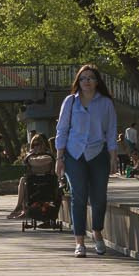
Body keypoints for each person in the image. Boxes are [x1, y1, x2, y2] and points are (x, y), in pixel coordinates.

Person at [54, 63, 119, 256]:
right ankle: (79, 241)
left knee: (99, 197)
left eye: (90, 78)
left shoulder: (105, 103)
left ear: (97, 81)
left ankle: (97, 232)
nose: (86, 82)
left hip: (97, 153)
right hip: (74, 154)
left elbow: (111, 130)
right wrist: (59, 157)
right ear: (78, 81)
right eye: (83, 78)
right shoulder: (70, 101)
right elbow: (62, 129)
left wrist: (113, 155)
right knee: (78, 196)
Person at [7, 132, 52, 218]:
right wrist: (31, 155)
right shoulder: (31, 156)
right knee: (23, 181)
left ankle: (20, 208)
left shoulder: (47, 154)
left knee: (25, 182)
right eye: (33, 145)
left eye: (38, 144)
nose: (36, 147)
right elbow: (27, 162)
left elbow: (41, 161)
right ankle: (21, 207)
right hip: (34, 180)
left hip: (46, 180)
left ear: (43, 144)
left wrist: (33, 157)